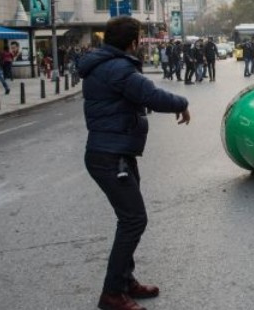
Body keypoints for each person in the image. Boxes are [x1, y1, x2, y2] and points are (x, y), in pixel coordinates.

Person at [78, 16, 190, 310]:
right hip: (110, 155)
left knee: (128, 219)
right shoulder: (118, 68)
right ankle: (112, 293)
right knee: (133, 220)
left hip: (115, 152)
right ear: (134, 42)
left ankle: (125, 281)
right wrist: (182, 103)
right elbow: (151, 96)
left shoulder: (104, 64)